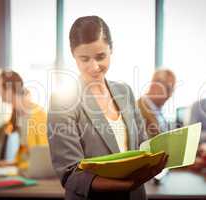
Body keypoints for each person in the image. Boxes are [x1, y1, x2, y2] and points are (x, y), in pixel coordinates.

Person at [48, 16, 168, 200]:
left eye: (100, 56)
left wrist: (158, 159)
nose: (94, 66)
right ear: (73, 55)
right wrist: (126, 185)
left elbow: (143, 147)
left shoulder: (124, 92)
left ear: (111, 49)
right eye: (84, 59)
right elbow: (70, 173)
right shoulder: (63, 100)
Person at [0, 69, 48, 169]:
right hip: (26, 171)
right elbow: (25, 151)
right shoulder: (18, 114)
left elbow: (43, 155)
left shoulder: (37, 114)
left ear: (9, 89)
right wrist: (13, 163)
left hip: (39, 174)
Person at [137, 69, 176, 136]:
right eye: (168, 89)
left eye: (172, 91)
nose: (170, 95)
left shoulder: (157, 110)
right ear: (155, 85)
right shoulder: (138, 109)